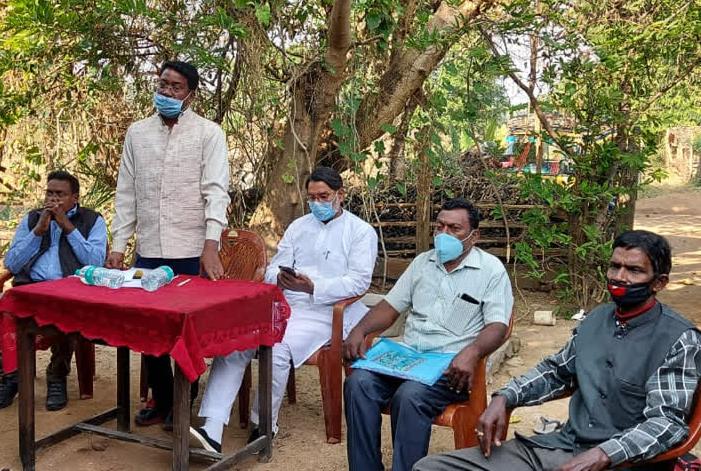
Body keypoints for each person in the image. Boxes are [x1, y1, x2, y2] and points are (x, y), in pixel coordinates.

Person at [414, 230, 701, 471]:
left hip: (622, 462)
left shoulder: (678, 338)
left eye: (634, 270)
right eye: (615, 266)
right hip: (560, 446)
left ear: (659, 282)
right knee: (429, 468)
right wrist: (505, 397)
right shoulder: (595, 320)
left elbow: (667, 423)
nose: (620, 277)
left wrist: (605, 453)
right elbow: (556, 372)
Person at [190, 166, 378, 452]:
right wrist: (279, 277)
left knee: (275, 346)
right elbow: (274, 266)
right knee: (237, 339)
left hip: (327, 311)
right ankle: (212, 427)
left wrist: (313, 287)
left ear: (341, 195)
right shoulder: (299, 226)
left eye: (324, 197)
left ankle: (264, 425)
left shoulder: (361, 232)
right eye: (312, 198)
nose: (317, 204)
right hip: (289, 303)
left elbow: (359, 281)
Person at [343, 197, 514, 471]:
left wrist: (471, 353)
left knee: (410, 396)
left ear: (473, 236)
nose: (444, 235)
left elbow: (498, 326)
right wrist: (359, 329)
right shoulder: (423, 262)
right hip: (407, 357)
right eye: (439, 227)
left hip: (450, 367)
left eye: (454, 229)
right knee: (358, 384)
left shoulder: (490, 270)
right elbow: (390, 307)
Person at [105, 60, 230, 429]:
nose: (167, 93)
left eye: (176, 87)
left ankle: (182, 399)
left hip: (191, 249)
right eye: (163, 85)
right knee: (149, 330)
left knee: (186, 330)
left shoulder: (209, 133)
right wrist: (118, 244)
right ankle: (161, 398)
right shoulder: (138, 133)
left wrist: (211, 244)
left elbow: (216, 192)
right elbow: (126, 193)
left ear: (191, 94)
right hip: (149, 249)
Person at [0, 171, 107, 411]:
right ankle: (12, 374)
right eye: (49, 193)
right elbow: (11, 263)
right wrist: (38, 232)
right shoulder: (32, 219)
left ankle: (57, 376)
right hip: (27, 292)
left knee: (65, 312)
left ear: (74, 198)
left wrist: (67, 226)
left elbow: (95, 261)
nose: (53, 199)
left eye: (60, 194)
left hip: (67, 292)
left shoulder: (93, 220)